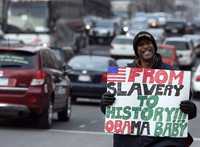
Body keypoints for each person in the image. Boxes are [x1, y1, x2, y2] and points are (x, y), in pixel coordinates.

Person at [100, 31, 196, 147]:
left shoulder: (171, 73)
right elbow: (110, 111)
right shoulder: (124, 75)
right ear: (136, 51)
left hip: (163, 141)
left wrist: (191, 109)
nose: (145, 46)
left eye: (148, 43)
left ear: (154, 47)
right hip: (130, 142)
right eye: (141, 45)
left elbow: (185, 111)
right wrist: (105, 102)